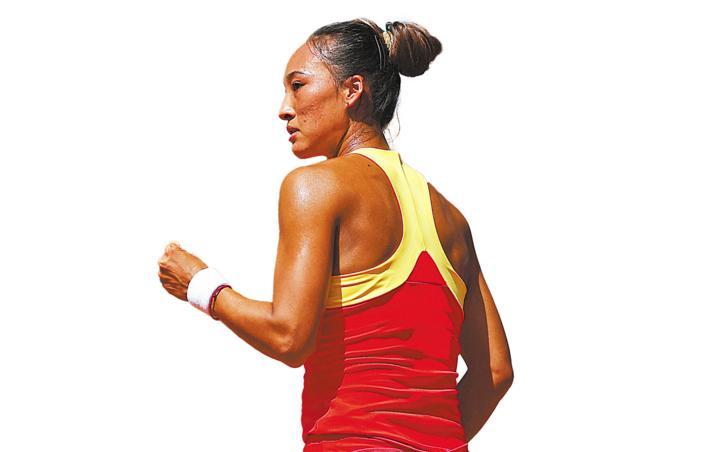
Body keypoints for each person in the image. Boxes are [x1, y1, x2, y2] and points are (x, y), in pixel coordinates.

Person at [157, 18, 513, 452]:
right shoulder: (452, 218)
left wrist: (199, 285)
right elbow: (495, 371)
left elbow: (288, 337)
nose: (284, 108)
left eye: (298, 86)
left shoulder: (315, 187)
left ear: (351, 90)